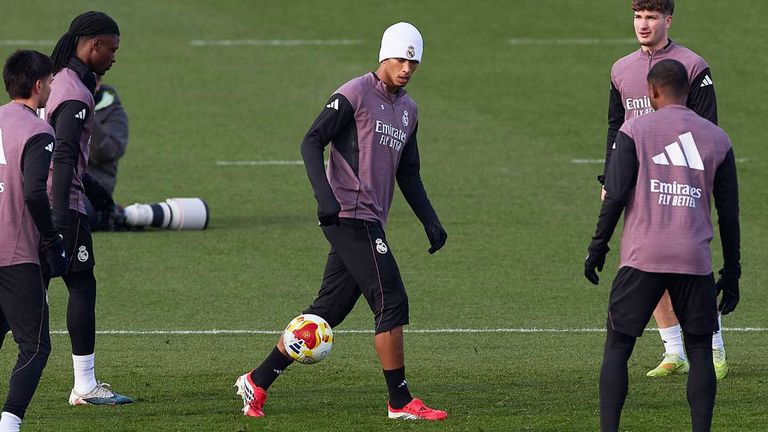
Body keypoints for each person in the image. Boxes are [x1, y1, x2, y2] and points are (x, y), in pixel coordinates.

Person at [235, 22, 448, 421]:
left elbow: (409, 173)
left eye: (413, 61)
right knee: (391, 300)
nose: (406, 68)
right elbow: (311, 141)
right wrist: (325, 198)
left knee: (326, 312)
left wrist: (430, 220)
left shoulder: (409, 111)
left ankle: (257, 380)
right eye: (401, 59)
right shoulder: (355, 92)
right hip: (348, 216)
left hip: (370, 220)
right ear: (384, 55)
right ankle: (400, 402)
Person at [585, 59, 740, 431]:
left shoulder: (635, 128)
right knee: (701, 349)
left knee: (619, 347)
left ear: (651, 92)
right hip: (694, 259)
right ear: (688, 92)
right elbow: (729, 214)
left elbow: (617, 193)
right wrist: (732, 272)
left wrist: (598, 248)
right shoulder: (718, 139)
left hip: (643, 257)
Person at [600, 0, 727, 379]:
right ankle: (674, 350)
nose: (643, 24)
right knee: (646, 262)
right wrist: (610, 178)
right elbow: (615, 126)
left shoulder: (692, 65)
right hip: (638, 182)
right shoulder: (621, 69)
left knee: (689, 262)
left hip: (681, 178)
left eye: (652, 17)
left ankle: (715, 349)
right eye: (638, 16)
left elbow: (708, 128)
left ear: (668, 20)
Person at [45, 11, 132, 406]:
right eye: (111, 49)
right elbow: (62, 157)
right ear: (93, 45)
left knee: (23, 294)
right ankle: (84, 385)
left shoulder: (57, 81)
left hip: (32, 196)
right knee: (81, 284)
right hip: (59, 204)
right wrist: (60, 222)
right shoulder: (78, 95)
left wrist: (97, 192)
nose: (114, 58)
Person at [0, 50, 67, 432]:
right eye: (51, 82)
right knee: (35, 346)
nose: (53, 87)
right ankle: (9, 424)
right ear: (38, 85)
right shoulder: (38, 130)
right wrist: (52, 239)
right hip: (16, 254)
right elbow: (35, 194)